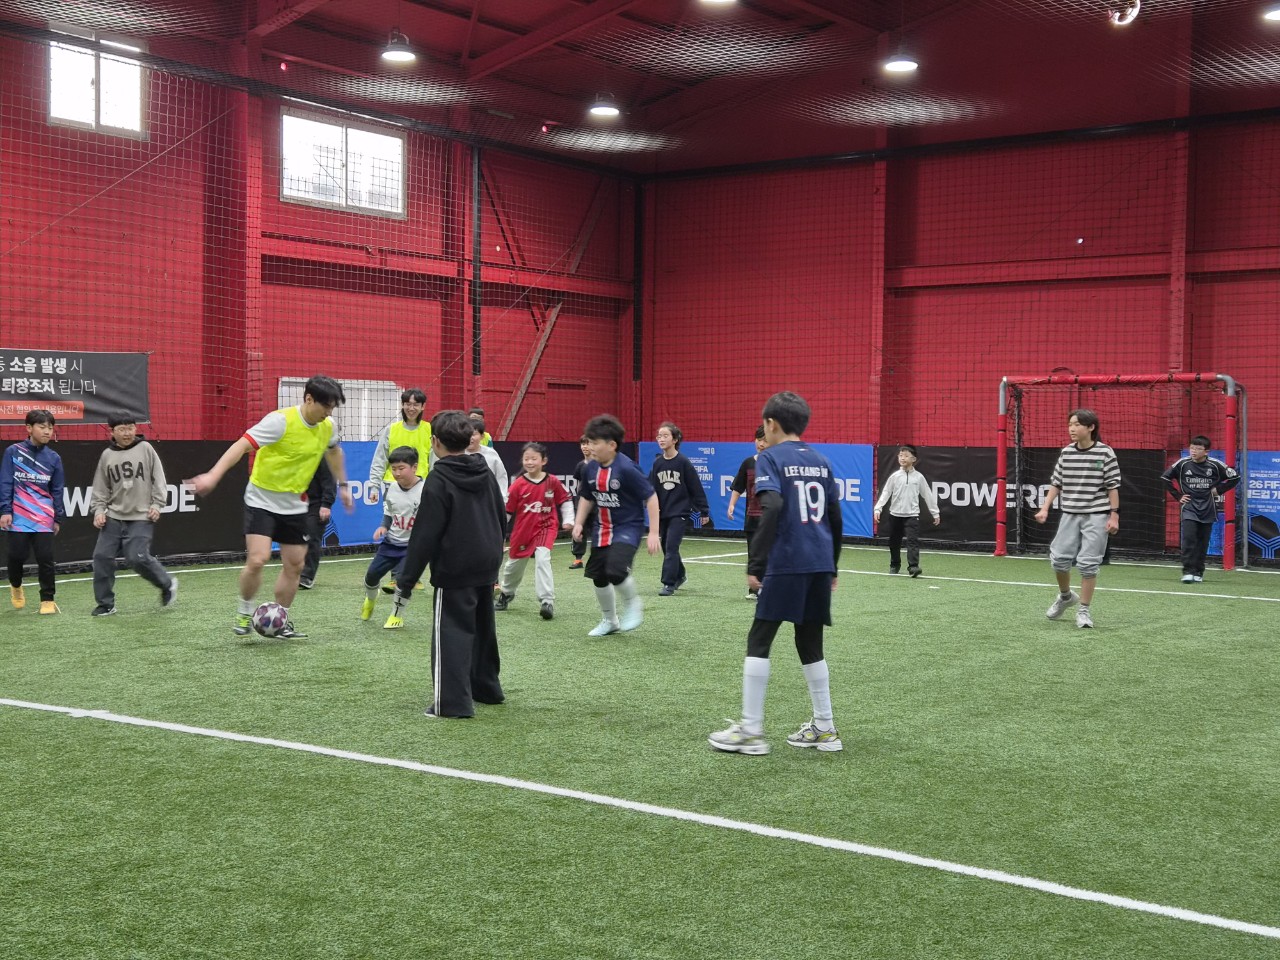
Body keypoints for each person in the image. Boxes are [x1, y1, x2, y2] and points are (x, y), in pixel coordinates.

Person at [709, 392, 844, 756]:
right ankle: (825, 727)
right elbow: (835, 516)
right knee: (810, 642)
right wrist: (832, 564)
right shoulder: (821, 461)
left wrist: (756, 564)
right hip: (818, 563)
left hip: (787, 561)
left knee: (760, 639)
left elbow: (771, 506)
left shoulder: (769, 457)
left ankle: (751, 732)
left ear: (770, 424)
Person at [186, 374, 353, 639]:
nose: (329, 412)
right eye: (326, 406)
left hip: (294, 504)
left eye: (333, 407)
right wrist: (213, 475)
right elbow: (241, 446)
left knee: (295, 565)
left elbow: (334, 451)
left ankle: (280, 620)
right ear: (309, 399)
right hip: (261, 500)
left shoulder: (327, 426)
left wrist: (343, 485)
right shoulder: (279, 421)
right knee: (258, 559)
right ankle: (244, 611)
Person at [390, 410, 506, 719]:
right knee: (483, 627)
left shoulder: (438, 479)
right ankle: (487, 689)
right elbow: (499, 513)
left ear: (435, 442)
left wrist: (406, 580)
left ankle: (451, 703)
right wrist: (494, 555)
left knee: (451, 631)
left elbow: (425, 535)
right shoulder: (484, 470)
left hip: (455, 567)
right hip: (486, 562)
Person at [572, 414, 660, 637]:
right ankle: (610, 620)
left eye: (595, 442)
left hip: (628, 528)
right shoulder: (589, 469)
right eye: (588, 442)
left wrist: (654, 532)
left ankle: (633, 605)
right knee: (598, 576)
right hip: (601, 529)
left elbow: (651, 497)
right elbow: (586, 497)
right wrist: (579, 523)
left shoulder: (627, 469)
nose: (590, 447)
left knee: (616, 569)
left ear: (612, 445)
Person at [1033, 408, 1120, 630]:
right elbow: (1056, 483)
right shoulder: (1066, 453)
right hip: (1069, 514)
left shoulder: (1105, 453)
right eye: (1070, 424)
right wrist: (1044, 508)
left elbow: (1112, 486)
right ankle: (1065, 597)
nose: (1072, 429)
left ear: (1091, 427)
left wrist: (1114, 516)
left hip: (1097, 515)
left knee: (1088, 565)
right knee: (1059, 560)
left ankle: (1084, 610)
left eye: (1077, 424)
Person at [88, 412, 177, 615]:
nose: (127, 433)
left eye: (130, 428)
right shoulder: (107, 455)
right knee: (101, 557)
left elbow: (159, 479)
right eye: (122, 429)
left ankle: (166, 584)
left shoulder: (146, 449)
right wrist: (99, 510)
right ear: (112, 432)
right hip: (113, 517)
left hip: (141, 516)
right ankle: (106, 604)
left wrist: (157, 504)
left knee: (136, 558)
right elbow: (101, 487)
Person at [495, 442, 574, 620]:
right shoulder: (518, 485)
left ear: (543, 461)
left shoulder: (552, 481)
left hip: (546, 528)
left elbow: (566, 500)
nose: (529, 462)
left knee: (543, 559)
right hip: (523, 531)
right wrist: (497, 529)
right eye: (526, 459)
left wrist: (569, 520)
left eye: (534, 458)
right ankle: (506, 593)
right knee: (514, 566)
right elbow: (507, 511)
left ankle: (547, 601)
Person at [1, 409, 65, 615]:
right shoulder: (13, 452)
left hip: (44, 518)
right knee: (16, 557)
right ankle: (16, 586)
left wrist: (57, 517)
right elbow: (6, 482)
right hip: (18, 517)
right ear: (29, 428)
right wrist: (5, 510)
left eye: (50, 428)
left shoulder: (54, 458)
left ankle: (47, 599)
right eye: (42, 427)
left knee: (45, 559)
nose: (47, 431)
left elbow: (57, 489)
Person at [1161, 435, 1240, 584]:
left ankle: (1198, 572)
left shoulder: (1215, 465)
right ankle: (1188, 571)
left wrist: (1219, 490)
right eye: (1192, 448)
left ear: (1206, 451)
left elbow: (1235, 477)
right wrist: (1178, 495)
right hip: (1189, 508)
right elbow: (1165, 478)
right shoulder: (1183, 463)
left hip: (1208, 508)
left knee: (1202, 542)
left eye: (1198, 449)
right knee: (1188, 539)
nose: (1194, 451)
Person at [362, 446, 423, 629]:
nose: (396, 473)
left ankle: (396, 616)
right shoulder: (392, 489)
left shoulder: (426, 490)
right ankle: (370, 600)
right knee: (371, 577)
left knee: (403, 581)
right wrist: (383, 526)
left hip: (413, 547)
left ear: (414, 467)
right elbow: (389, 512)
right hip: (391, 543)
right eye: (393, 469)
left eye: (401, 468)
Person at [649, 421, 710, 595]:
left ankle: (668, 583)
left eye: (665, 436)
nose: (661, 439)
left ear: (675, 439)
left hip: (680, 512)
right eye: (659, 436)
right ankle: (680, 575)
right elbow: (651, 488)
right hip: (663, 513)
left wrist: (704, 511)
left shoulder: (683, 462)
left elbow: (696, 487)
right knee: (666, 546)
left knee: (671, 546)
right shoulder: (658, 463)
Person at [873, 444, 941, 578]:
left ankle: (913, 566)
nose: (902, 458)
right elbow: (886, 493)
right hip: (894, 515)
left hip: (912, 515)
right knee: (894, 541)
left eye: (906, 456)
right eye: (900, 455)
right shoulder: (894, 477)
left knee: (912, 541)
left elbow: (927, 494)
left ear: (914, 459)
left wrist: (935, 512)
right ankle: (894, 564)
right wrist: (878, 508)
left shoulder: (919, 477)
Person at [368, 388, 430, 506]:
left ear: (423, 406)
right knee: (391, 517)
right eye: (408, 404)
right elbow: (380, 459)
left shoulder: (430, 429)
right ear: (402, 405)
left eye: (416, 405)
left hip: (421, 486)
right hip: (392, 485)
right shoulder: (391, 430)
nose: (411, 408)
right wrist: (374, 487)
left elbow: (433, 462)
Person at [727, 426, 767, 599]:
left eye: (765, 440)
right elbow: (738, 487)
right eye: (759, 439)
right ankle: (755, 590)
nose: (761, 444)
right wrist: (731, 505)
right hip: (752, 519)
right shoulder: (748, 463)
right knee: (754, 554)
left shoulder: (777, 464)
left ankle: (770, 588)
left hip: (771, 519)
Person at [298, 458, 336, 590]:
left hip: (316, 504)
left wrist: (326, 504)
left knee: (312, 536)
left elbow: (329, 480)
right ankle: (294, 571)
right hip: (294, 503)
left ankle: (307, 576)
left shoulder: (321, 455)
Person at [569, 436, 594, 570]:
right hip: (581, 503)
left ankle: (599, 558)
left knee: (598, 530)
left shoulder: (600, 464)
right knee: (579, 530)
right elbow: (579, 484)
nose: (584, 447)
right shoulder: (580, 466)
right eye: (582, 444)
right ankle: (578, 559)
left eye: (587, 444)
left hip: (597, 503)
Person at [467, 419, 508, 499]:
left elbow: (501, 476)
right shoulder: (457, 453)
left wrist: (502, 498)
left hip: (488, 499)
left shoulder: (491, 454)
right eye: (467, 434)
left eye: (474, 434)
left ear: (482, 436)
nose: (470, 438)